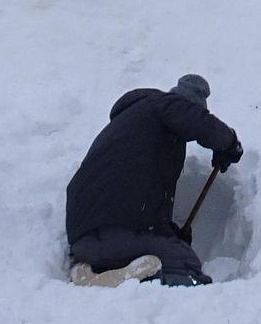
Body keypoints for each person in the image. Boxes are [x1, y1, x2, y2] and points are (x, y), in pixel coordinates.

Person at [65, 75, 243, 287]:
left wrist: (169, 235)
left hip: (84, 242)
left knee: (168, 249)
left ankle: (99, 274)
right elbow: (191, 116)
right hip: (120, 231)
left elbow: (145, 198)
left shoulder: (129, 131)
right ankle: (144, 283)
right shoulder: (162, 104)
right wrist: (229, 142)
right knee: (184, 262)